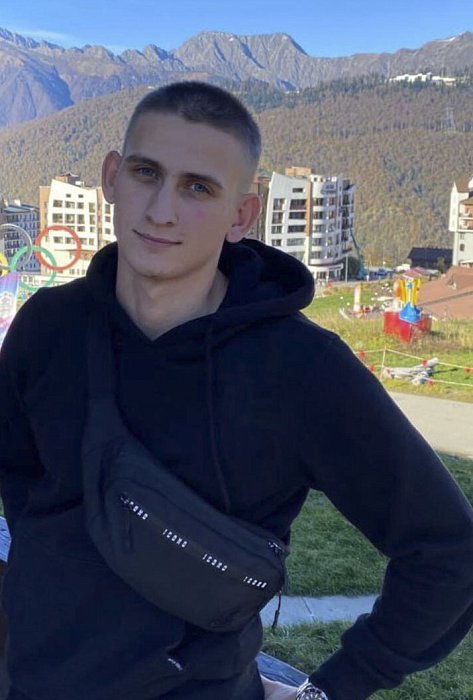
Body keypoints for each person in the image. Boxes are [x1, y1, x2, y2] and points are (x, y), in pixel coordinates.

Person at [0, 81, 472, 700]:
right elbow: (20, 484)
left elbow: (448, 549)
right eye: (146, 173)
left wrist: (334, 688)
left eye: (198, 188)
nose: (161, 210)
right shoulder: (48, 326)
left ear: (242, 217)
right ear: (112, 177)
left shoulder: (301, 369)